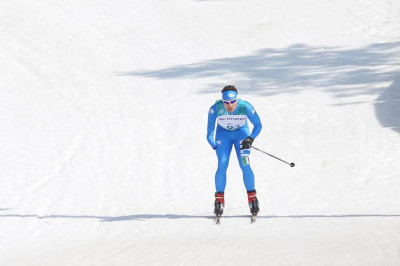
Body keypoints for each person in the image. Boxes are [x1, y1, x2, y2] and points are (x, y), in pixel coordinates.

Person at [207, 85, 262, 217]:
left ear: (237, 99)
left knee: (245, 164)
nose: (230, 105)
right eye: (226, 102)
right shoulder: (215, 109)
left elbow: (258, 125)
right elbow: (209, 134)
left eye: (232, 102)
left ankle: (252, 198)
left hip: (241, 135)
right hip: (223, 136)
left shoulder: (245, 106)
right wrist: (215, 145)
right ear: (222, 101)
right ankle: (219, 199)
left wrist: (251, 138)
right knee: (222, 163)